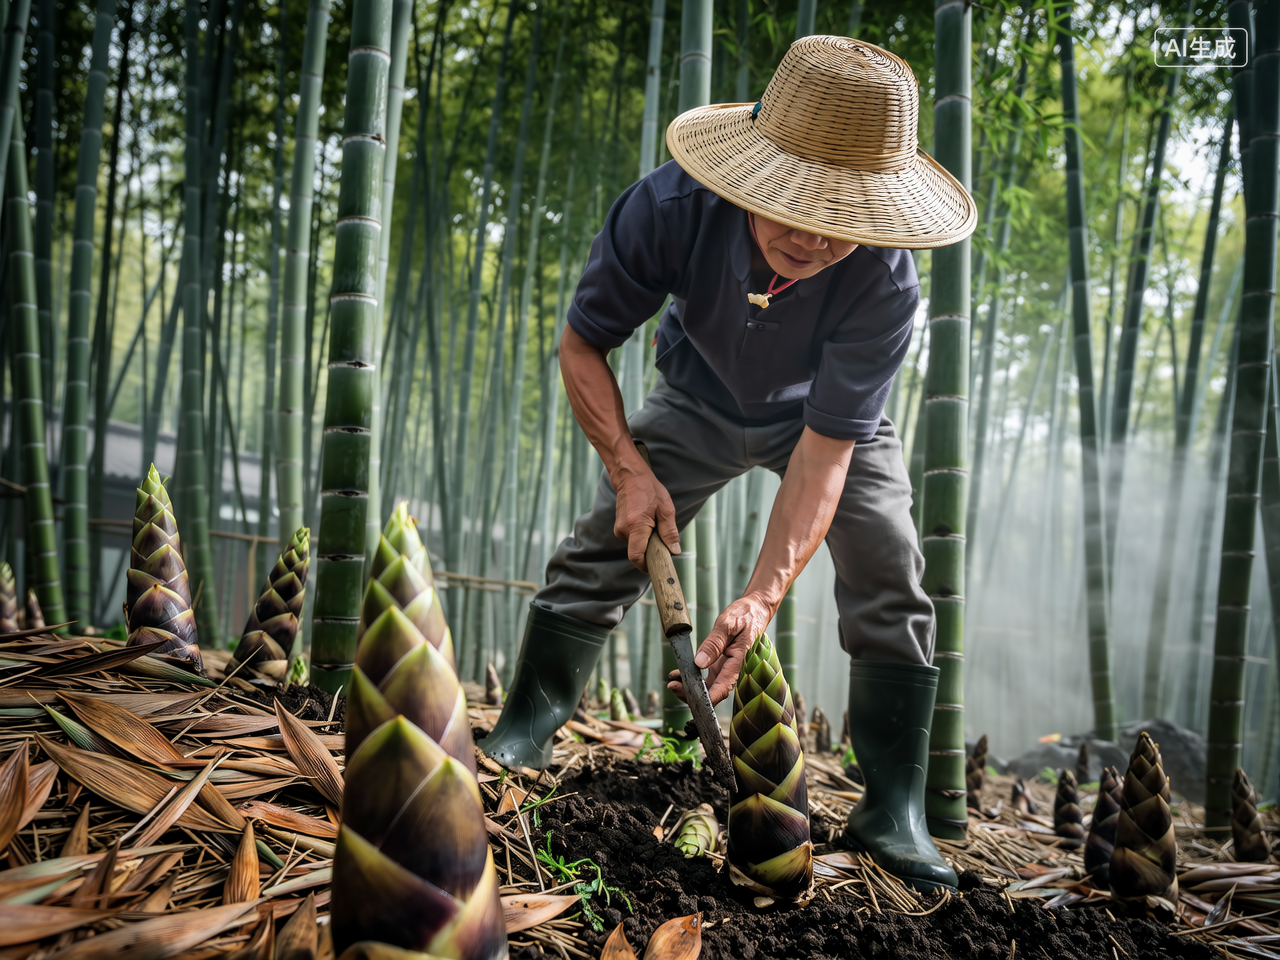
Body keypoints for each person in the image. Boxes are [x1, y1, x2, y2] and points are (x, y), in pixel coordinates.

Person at [478, 35, 977, 892]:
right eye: (796, 207)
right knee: (607, 539)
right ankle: (527, 726)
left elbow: (826, 457)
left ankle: (892, 808)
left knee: (890, 563)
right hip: (697, 396)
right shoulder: (671, 206)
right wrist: (631, 471)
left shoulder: (888, 283)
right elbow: (583, 345)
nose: (814, 238)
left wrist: (760, 597)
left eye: (841, 222)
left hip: (820, 421)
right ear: (755, 175)